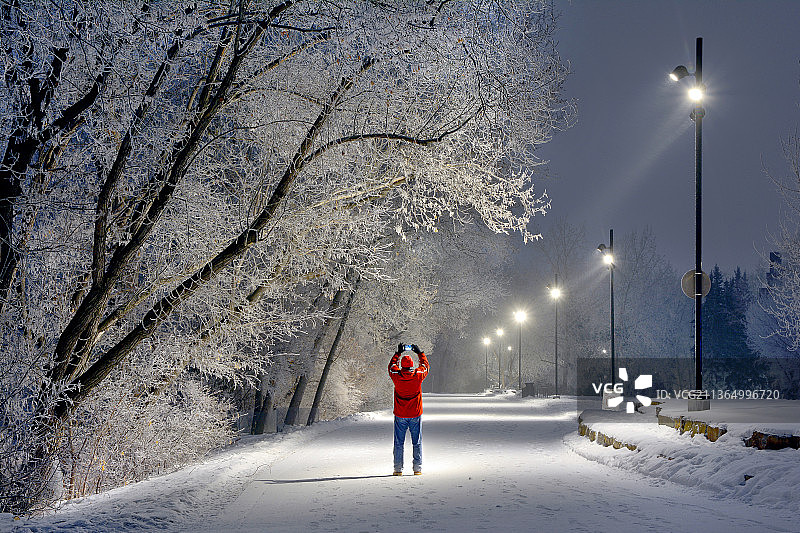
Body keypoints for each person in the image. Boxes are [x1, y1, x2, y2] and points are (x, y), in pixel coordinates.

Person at [388, 343, 429, 476]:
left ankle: (398, 469)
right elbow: (425, 367)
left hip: (400, 414)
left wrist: (397, 354)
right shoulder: (418, 375)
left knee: (398, 442)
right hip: (415, 414)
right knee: (416, 441)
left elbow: (391, 367)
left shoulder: (396, 375)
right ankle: (417, 468)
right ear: (412, 365)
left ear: (402, 366)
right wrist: (420, 353)